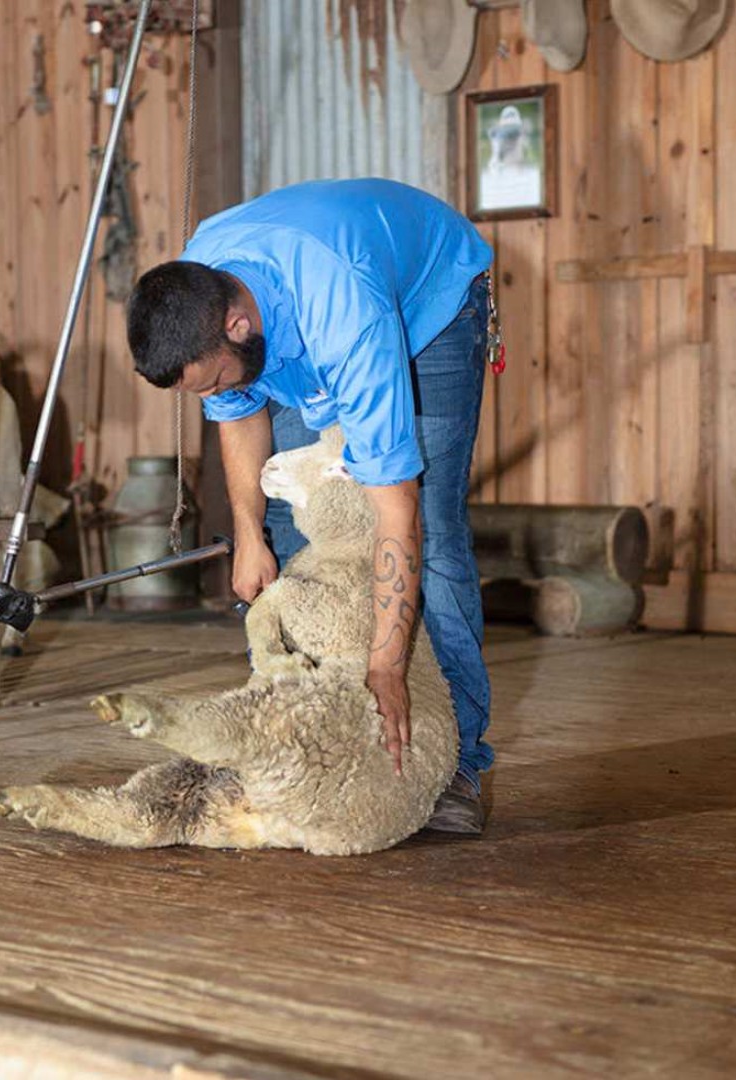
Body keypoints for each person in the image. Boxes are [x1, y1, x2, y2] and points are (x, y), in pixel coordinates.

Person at [126, 178, 495, 834]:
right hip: (302, 317)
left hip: (429, 304)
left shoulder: (346, 319)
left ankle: (458, 759)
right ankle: (315, 740)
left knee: (433, 526)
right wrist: (248, 536)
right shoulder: (203, 295)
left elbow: (398, 511)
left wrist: (387, 666)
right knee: (294, 524)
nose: (213, 396)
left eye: (214, 380)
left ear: (237, 325)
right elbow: (238, 415)